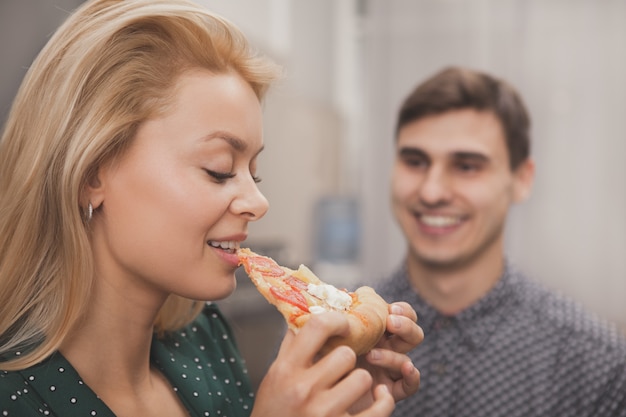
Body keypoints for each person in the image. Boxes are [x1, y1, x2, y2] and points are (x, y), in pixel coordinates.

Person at [0, 0, 424, 415]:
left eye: (253, 174)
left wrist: (342, 391)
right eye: (219, 170)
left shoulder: (205, 341)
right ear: (91, 175)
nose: (258, 203)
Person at [375, 66, 626, 417]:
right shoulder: (325, 336)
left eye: (466, 166)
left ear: (522, 180)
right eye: (415, 161)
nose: (431, 192)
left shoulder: (597, 364)